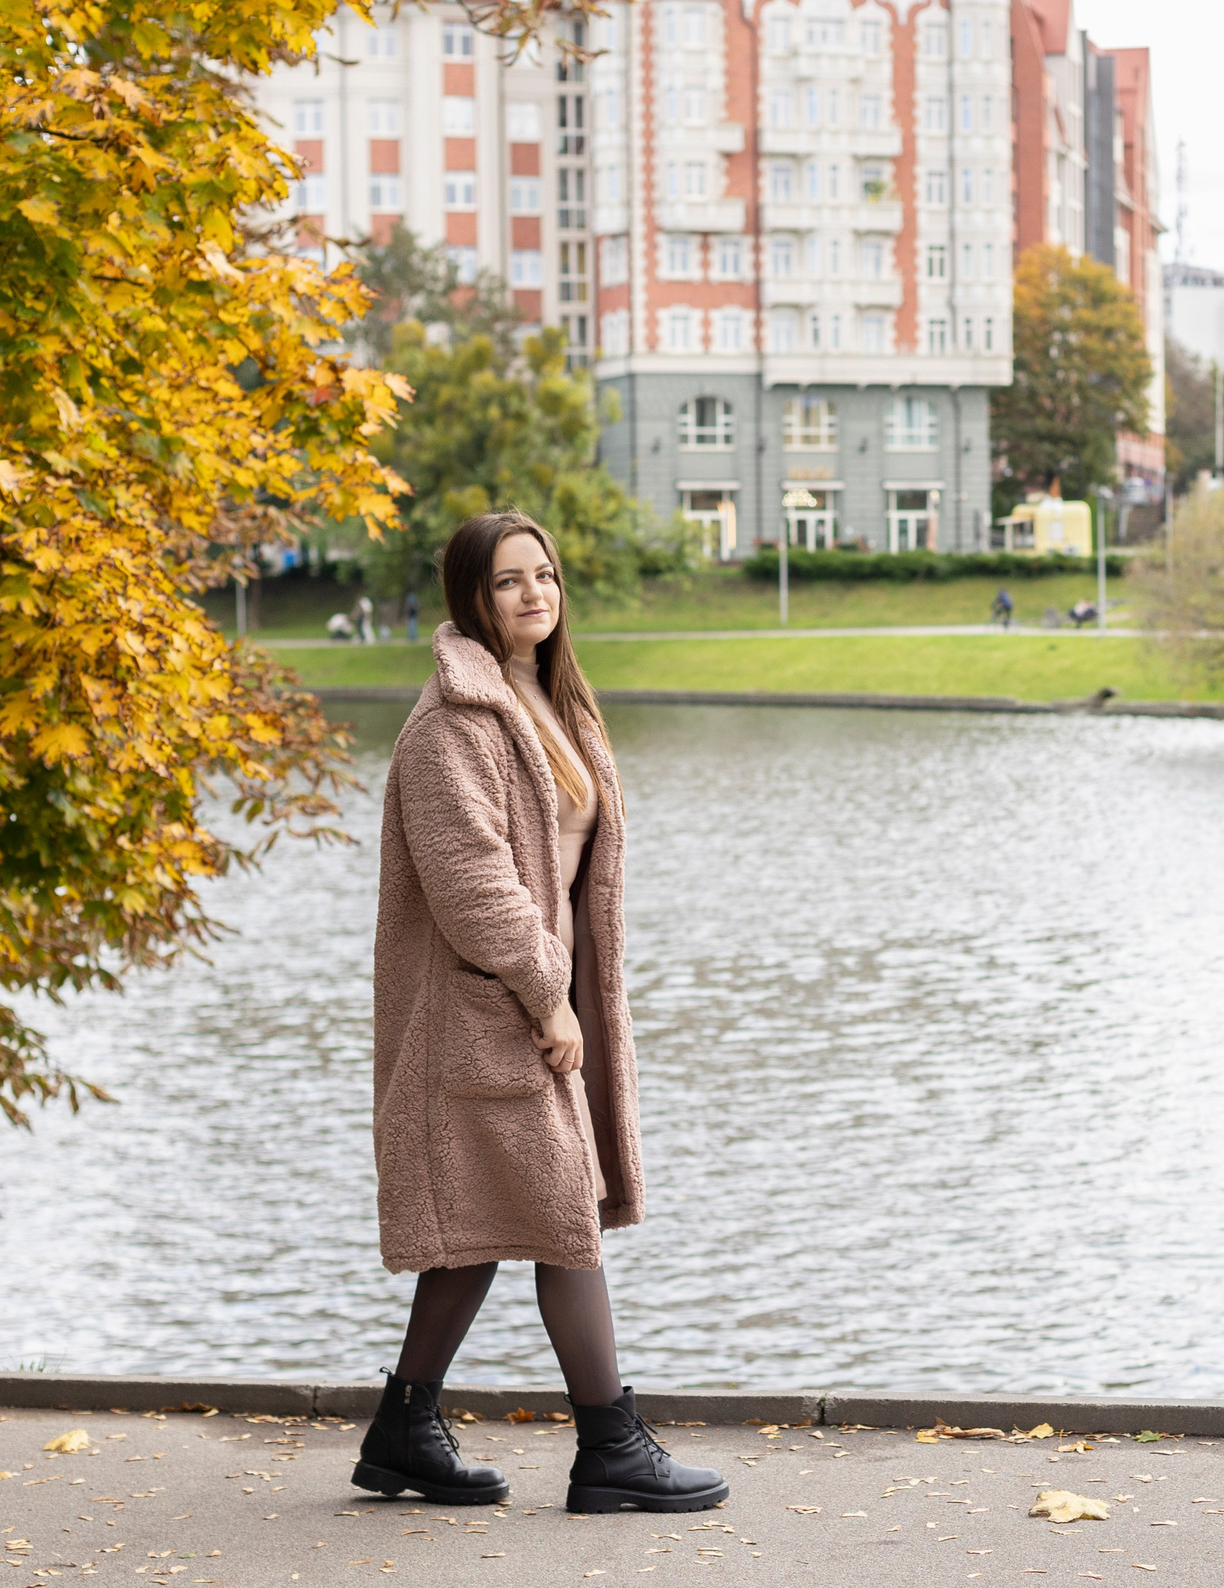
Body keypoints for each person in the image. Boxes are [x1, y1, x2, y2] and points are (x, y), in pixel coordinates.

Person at [354, 511, 725, 1516]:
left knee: (480, 1228)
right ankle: (609, 1444)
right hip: (485, 1011)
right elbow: (473, 883)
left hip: (536, 1003)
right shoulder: (450, 726)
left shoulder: (549, 699)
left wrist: (571, 996)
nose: (533, 593)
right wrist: (544, 993)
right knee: (565, 1219)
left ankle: (402, 1427)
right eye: (509, 580)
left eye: (545, 574)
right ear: (471, 597)